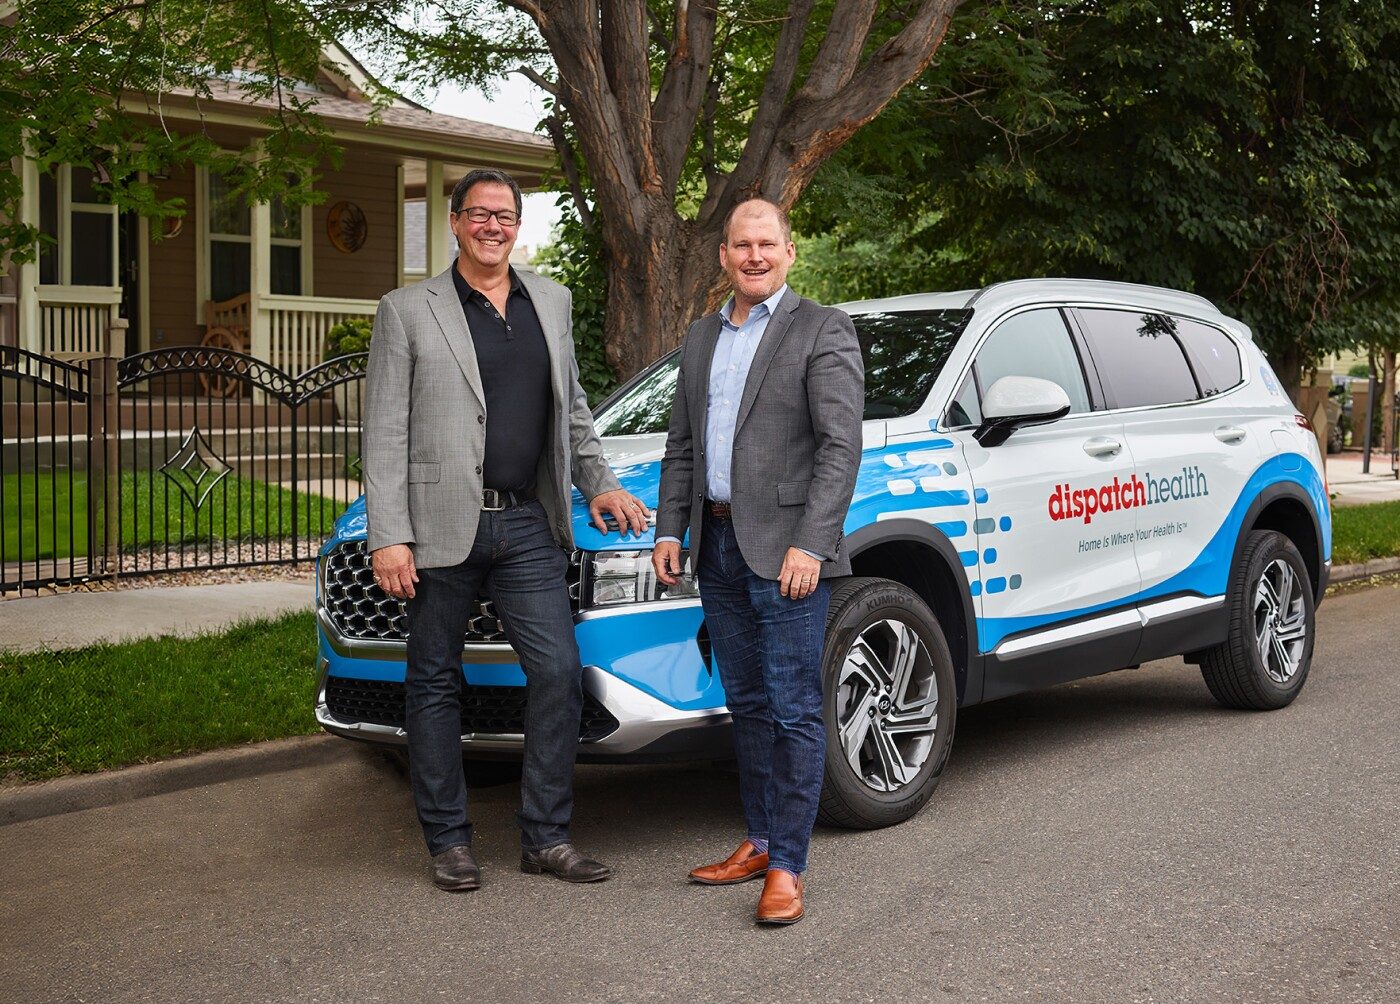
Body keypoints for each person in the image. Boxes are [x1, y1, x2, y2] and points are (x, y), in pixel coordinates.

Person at [362, 168, 649, 891]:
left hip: (525, 521)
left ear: (517, 227)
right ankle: (450, 843)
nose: (493, 226)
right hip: (436, 527)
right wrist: (387, 533)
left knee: (556, 671)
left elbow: (572, 407)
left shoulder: (549, 299)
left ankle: (546, 838)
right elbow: (384, 429)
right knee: (434, 680)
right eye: (479, 214)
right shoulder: (407, 309)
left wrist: (602, 482)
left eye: (506, 216)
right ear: (455, 222)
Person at [652, 198, 864, 924]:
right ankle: (760, 838)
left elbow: (841, 448)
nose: (753, 256)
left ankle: (789, 867)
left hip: (787, 555)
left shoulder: (822, 328)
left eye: (765, 244)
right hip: (715, 547)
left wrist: (811, 542)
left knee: (794, 707)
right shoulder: (701, 335)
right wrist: (668, 528)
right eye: (740, 245)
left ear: (789, 251)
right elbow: (684, 444)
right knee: (744, 705)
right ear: (723, 255)